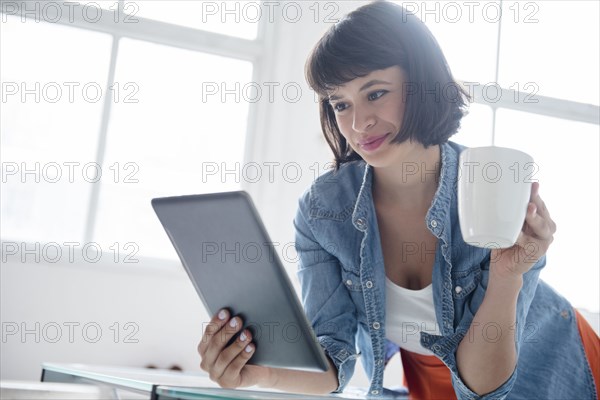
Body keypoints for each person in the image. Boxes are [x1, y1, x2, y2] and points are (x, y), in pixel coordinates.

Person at [197, 2, 600, 398]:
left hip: (551, 366)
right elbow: (333, 360)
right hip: (430, 380)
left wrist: (508, 275)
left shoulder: (491, 190)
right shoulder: (324, 211)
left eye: (375, 93)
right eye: (341, 104)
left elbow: (484, 387)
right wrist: (255, 373)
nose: (358, 124)